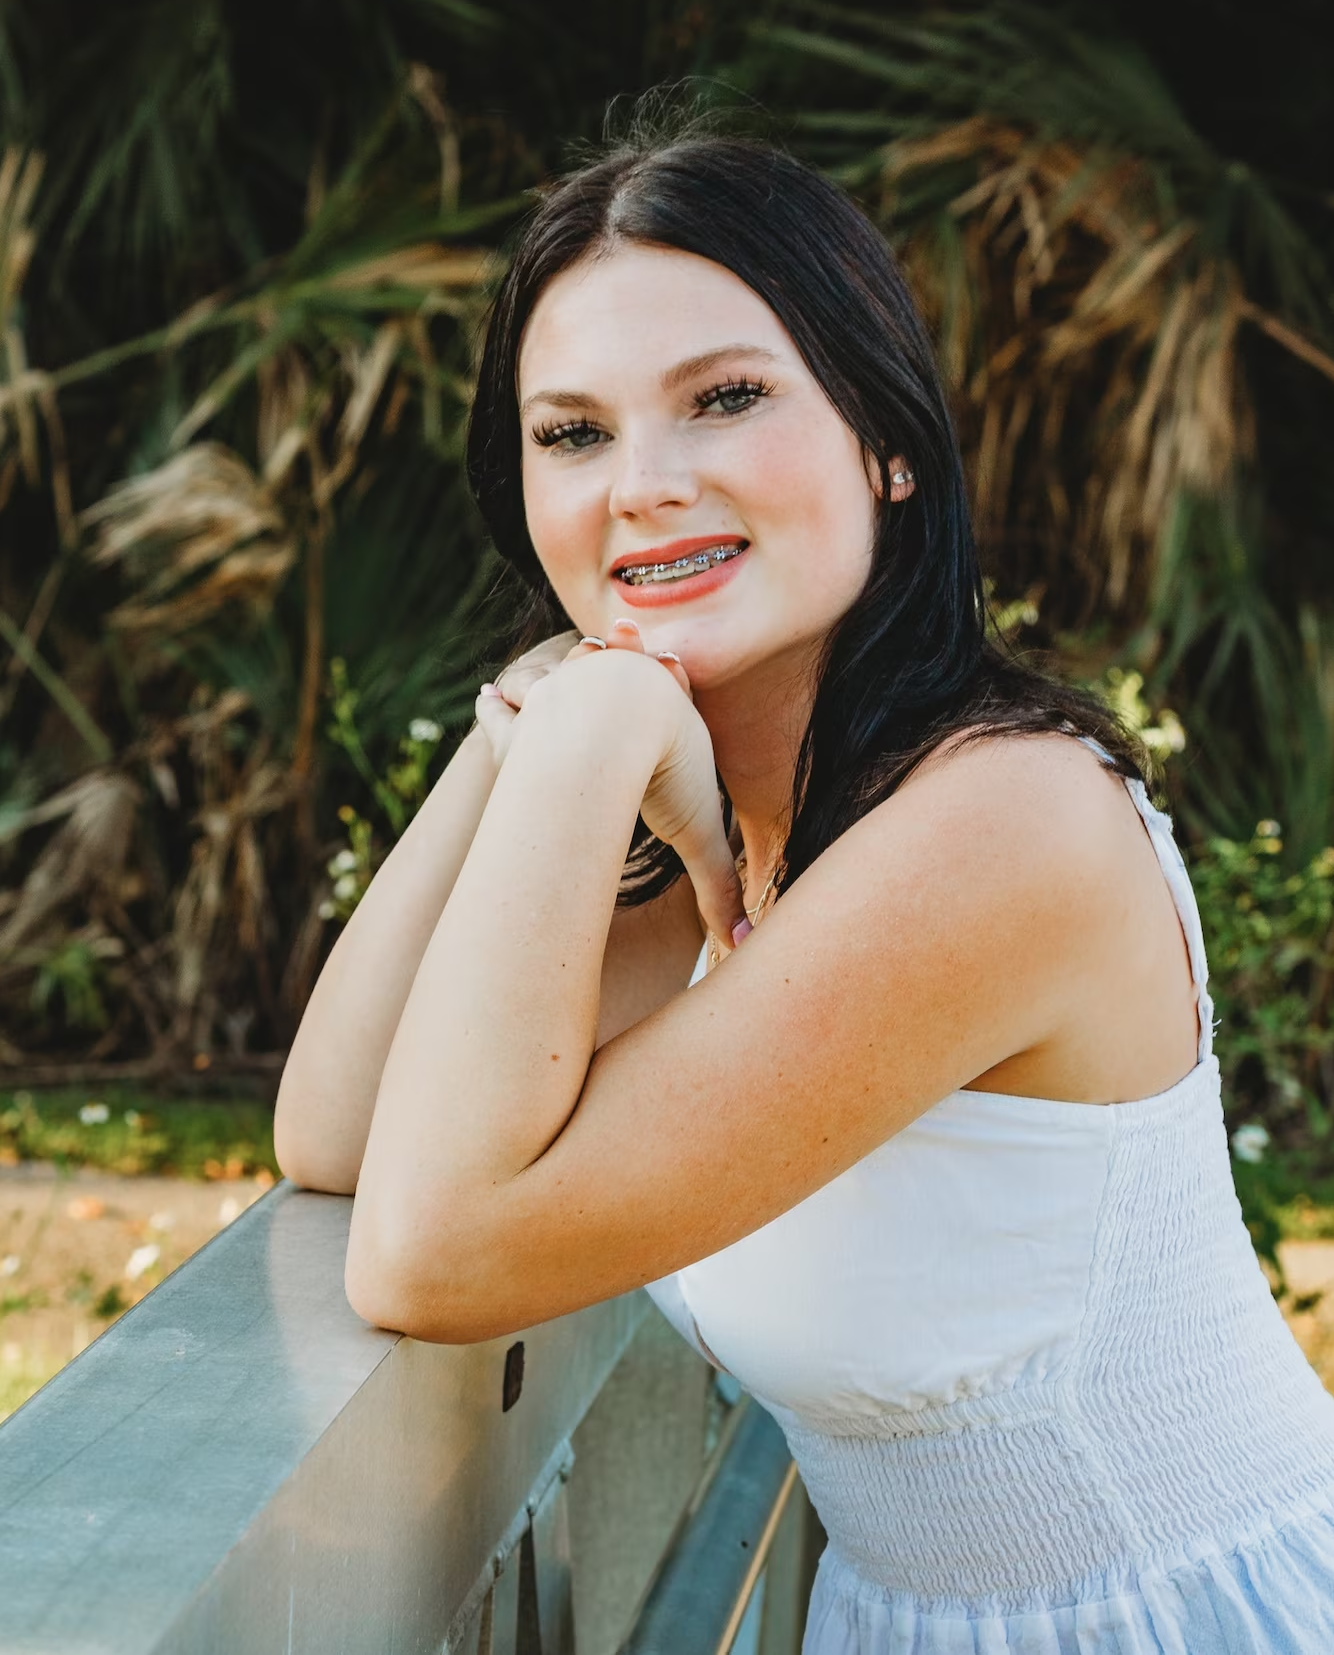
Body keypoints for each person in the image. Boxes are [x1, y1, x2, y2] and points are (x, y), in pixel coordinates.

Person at [274, 130, 1334, 1652]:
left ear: (886, 442)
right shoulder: (713, 828)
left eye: (725, 398)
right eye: (571, 434)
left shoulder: (1004, 823)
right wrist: (543, 717)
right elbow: (338, 1136)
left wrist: (594, 733)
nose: (643, 486)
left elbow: (432, 1253)